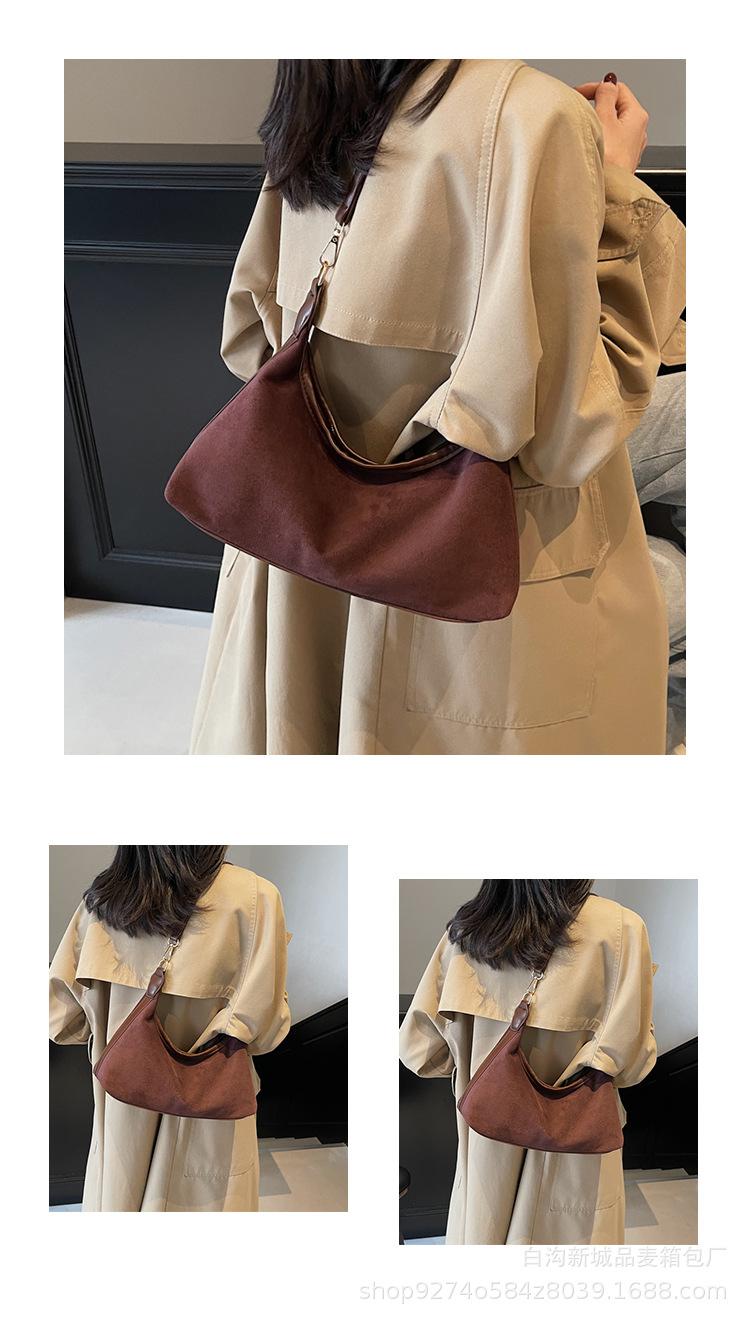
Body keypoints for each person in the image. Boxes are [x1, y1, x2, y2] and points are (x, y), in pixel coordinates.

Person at [189, 60, 686, 755]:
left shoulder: (322, 96)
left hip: (299, 569)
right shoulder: (538, 117)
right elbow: (570, 435)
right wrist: (614, 178)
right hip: (482, 598)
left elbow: (249, 334)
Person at [399, 880, 656, 1244]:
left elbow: (420, 1053)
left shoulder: (467, 933)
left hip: (485, 1156)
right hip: (575, 1161)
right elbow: (632, 1065)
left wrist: (481, 1065)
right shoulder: (622, 929)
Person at [49, 847, 290, 1212]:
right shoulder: (256, 898)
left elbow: (63, 1021)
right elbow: (267, 1032)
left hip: (120, 1123)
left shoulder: (101, 903)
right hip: (209, 1130)